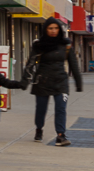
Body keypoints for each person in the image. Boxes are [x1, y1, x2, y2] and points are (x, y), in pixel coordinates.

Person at [26, 17, 83, 146]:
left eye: (56, 28)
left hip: (60, 81)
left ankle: (61, 135)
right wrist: (24, 81)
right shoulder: (39, 45)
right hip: (42, 81)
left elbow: (73, 64)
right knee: (41, 109)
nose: (53, 31)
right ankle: (39, 129)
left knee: (61, 109)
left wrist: (78, 82)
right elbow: (30, 63)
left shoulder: (66, 45)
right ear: (45, 30)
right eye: (50, 28)